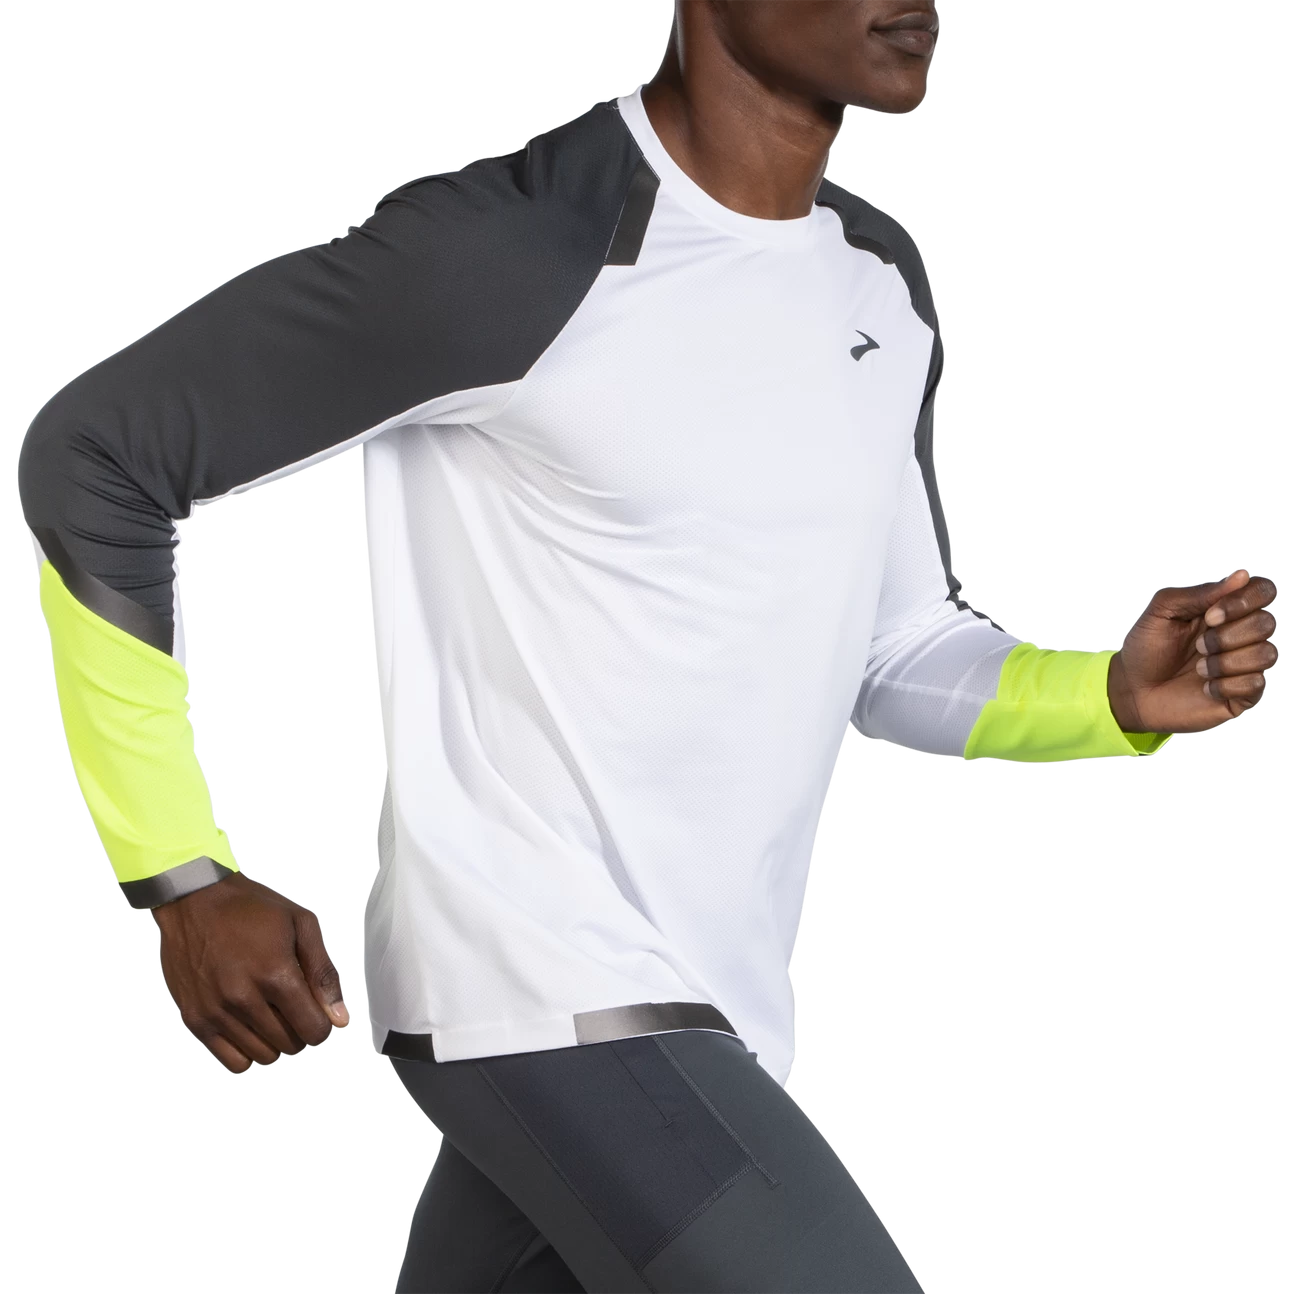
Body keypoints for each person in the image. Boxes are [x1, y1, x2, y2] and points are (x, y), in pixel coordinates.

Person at [15, 1, 1279, 1290]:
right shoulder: (512, 251)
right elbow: (98, 455)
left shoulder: (877, 279)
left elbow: (894, 645)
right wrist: (179, 872)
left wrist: (1110, 696)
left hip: (719, 1006)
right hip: (528, 977)